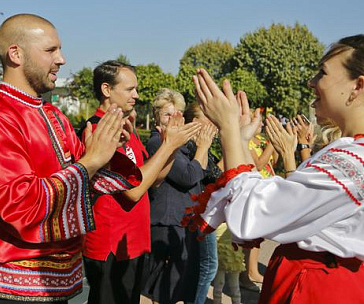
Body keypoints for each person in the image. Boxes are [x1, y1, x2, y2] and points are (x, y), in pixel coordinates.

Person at [0, 14, 141, 303]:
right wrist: (90, 162)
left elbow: (87, 182)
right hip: (10, 288)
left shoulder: (53, 115)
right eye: (50, 50)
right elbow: (20, 206)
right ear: (15, 54)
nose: (62, 59)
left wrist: (107, 151)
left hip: (56, 283)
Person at [189, 34, 364, 303]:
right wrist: (243, 141)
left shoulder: (353, 160)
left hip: (318, 289)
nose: (312, 81)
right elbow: (280, 200)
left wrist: (229, 129)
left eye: (323, 73)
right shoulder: (349, 149)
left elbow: (259, 210)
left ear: (358, 86)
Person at [81, 63, 200, 304]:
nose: (136, 95)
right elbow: (134, 191)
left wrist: (172, 147)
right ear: (106, 89)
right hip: (110, 244)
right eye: (130, 89)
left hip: (133, 241)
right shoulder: (97, 129)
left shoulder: (126, 128)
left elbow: (154, 179)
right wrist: (167, 146)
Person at [141, 90, 215, 304]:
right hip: (167, 222)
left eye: (178, 114)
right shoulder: (158, 143)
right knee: (167, 290)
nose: (174, 119)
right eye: (167, 114)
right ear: (157, 116)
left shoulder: (183, 145)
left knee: (181, 286)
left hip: (184, 222)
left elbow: (208, 173)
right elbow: (188, 176)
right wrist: (203, 147)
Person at [182, 102, 222, 304]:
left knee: (204, 265)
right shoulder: (190, 146)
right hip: (196, 214)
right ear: (196, 122)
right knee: (207, 266)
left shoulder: (201, 145)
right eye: (208, 117)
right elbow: (206, 177)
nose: (213, 121)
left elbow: (217, 175)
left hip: (202, 213)